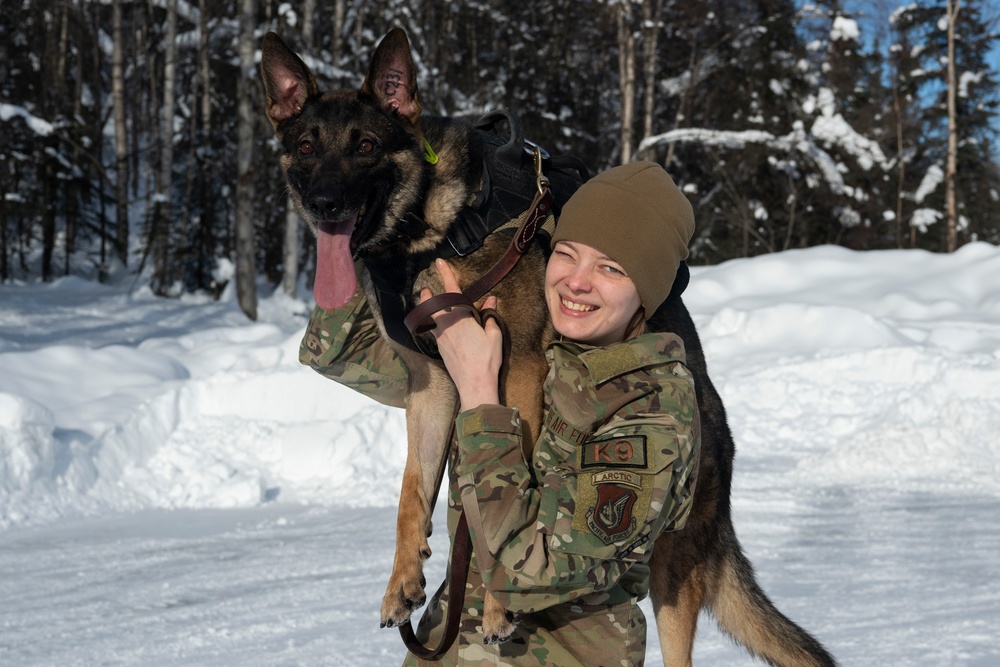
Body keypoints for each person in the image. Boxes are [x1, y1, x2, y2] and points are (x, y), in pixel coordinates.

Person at [300, 161, 700, 666]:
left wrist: (481, 396)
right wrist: (371, 225)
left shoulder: (651, 411)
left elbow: (536, 572)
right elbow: (340, 352)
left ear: (648, 284)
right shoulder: (516, 345)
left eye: (611, 268)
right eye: (567, 255)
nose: (577, 283)